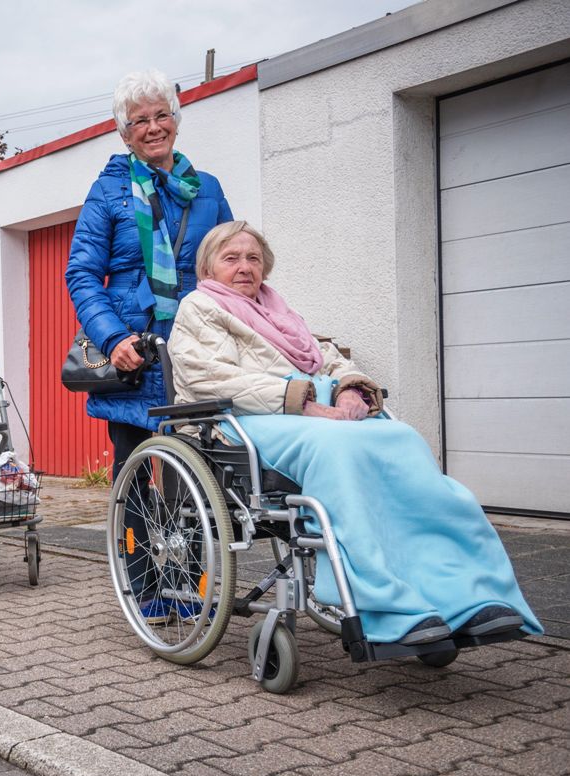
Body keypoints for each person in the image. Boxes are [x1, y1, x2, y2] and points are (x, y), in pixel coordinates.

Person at [170, 220, 541, 645]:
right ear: (208, 268)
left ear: (265, 267)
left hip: (312, 415)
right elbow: (207, 379)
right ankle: (383, 603)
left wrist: (350, 390)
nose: (244, 267)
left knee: (400, 438)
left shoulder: (280, 312)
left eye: (253, 258)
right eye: (231, 258)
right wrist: (302, 401)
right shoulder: (197, 308)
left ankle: (466, 594)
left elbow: (328, 358)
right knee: (340, 445)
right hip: (244, 423)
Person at [65, 69, 232, 619]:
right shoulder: (109, 190)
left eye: (162, 115)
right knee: (137, 472)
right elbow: (82, 274)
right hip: (135, 353)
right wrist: (111, 338)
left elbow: (227, 268)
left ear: (177, 121)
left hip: (194, 348)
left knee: (197, 471)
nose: (153, 127)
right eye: (140, 120)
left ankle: (192, 581)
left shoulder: (206, 189)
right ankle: (145, 586)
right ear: (124, 132)